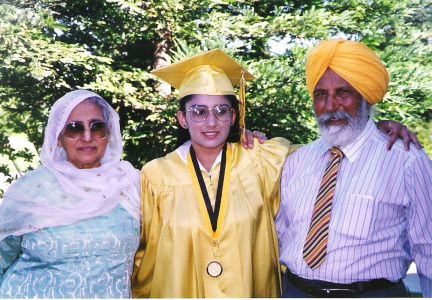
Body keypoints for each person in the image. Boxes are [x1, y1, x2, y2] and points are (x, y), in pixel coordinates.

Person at [131, 49, 418, 298]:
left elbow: (333, 145)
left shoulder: (263, 159)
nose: (211, 121)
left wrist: (375, 126)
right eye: (198, 111)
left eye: (221, 110)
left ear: (234, 116)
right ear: (182, 118)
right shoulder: (156, 175)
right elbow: (146, 254)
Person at [276, 39, 432, 298]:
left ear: (366, 98)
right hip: (295, 291)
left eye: (343, 92)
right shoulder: (296, 160)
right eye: (321, 95)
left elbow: (428, 249)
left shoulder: (407, 162)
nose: (330, 106)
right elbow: (281, 235)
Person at [0, 90, 141, 298]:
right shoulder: (30, 190)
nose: (87, 137)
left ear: (109, 133)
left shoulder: (132, 184)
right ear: (58, 137)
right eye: (74, 128)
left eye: (97, 126)